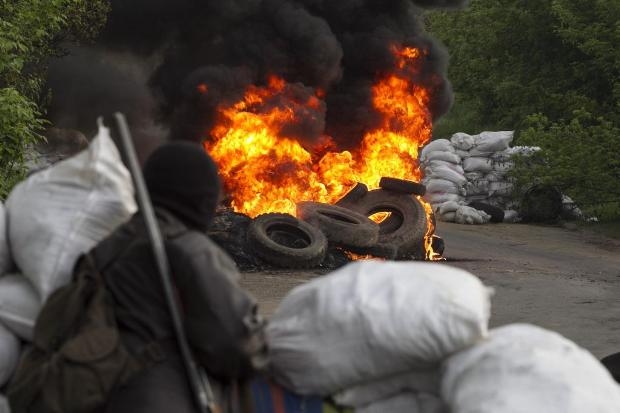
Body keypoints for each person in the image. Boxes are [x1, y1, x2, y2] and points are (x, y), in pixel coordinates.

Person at [92, 141, 267, 412]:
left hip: (96, 392)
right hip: (157, 399)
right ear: (200, 199)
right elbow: (235, 346)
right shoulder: (190, 251)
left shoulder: (110, 243)